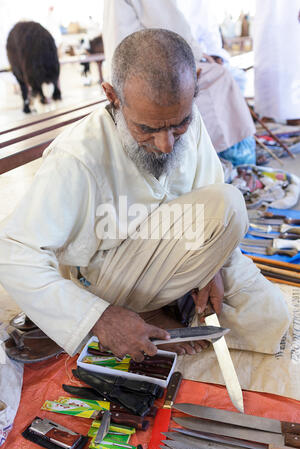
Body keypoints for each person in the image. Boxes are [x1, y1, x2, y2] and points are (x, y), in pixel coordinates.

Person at [0, 30, 290, 363]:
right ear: (113, 96)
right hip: (106, 277)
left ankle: (166, 308)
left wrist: (211, 268)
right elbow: (13, 251)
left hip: (176, 256)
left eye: (177, 125)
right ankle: (139, 313)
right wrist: (100, 318)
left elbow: (204, 195)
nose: (166, 144)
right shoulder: (76, 156)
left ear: (193, 88)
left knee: (268, 317)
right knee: (228, 206)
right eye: (147, 129)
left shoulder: (189, 122)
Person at [102, 0, 256, 166]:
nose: (166, 147)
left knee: (220, 73)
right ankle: (221, 155)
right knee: (219, 76)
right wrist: (197, 55)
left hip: (141, 63)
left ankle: (224, 156)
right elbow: (172, 30)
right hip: (147, 67)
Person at [254, 0, 300, 125]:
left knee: (293, 61)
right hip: (266, 16)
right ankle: (267, 111)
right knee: (266, 62)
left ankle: (294, 113)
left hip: (292, 14)